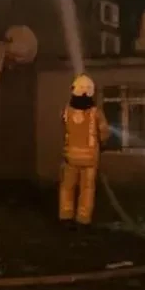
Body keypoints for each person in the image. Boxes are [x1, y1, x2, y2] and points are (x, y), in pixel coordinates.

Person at [59, 74, 110, 225]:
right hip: (89, 159)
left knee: (67, 187)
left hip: (70, 158)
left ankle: (65, 215)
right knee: (86, 190)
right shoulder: (96, 112)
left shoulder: (66, 111)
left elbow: (65, 125)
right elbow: (104, 131)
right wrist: (103, 144)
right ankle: (83, 218)